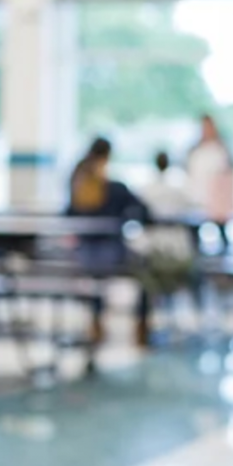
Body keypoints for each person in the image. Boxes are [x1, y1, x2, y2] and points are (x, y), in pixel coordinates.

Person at [66, 137, 152, 347]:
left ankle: (96, 322)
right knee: (147, 269)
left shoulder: (79, 186)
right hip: (110, 254)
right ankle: (141, 326)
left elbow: (68, 215)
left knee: (96, 276)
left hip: (84, 254)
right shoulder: (115, 189)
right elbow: (144, 211)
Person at [186, 114, 233, 220]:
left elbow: (228, 175)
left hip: (219, 203)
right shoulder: (195, 151)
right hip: (197, 200)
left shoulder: (222, 150)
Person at [140, 151, 194, 219]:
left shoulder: (147, 188)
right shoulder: (177, 185)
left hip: (156, 226)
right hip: (174, 225)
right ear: (168, 163)